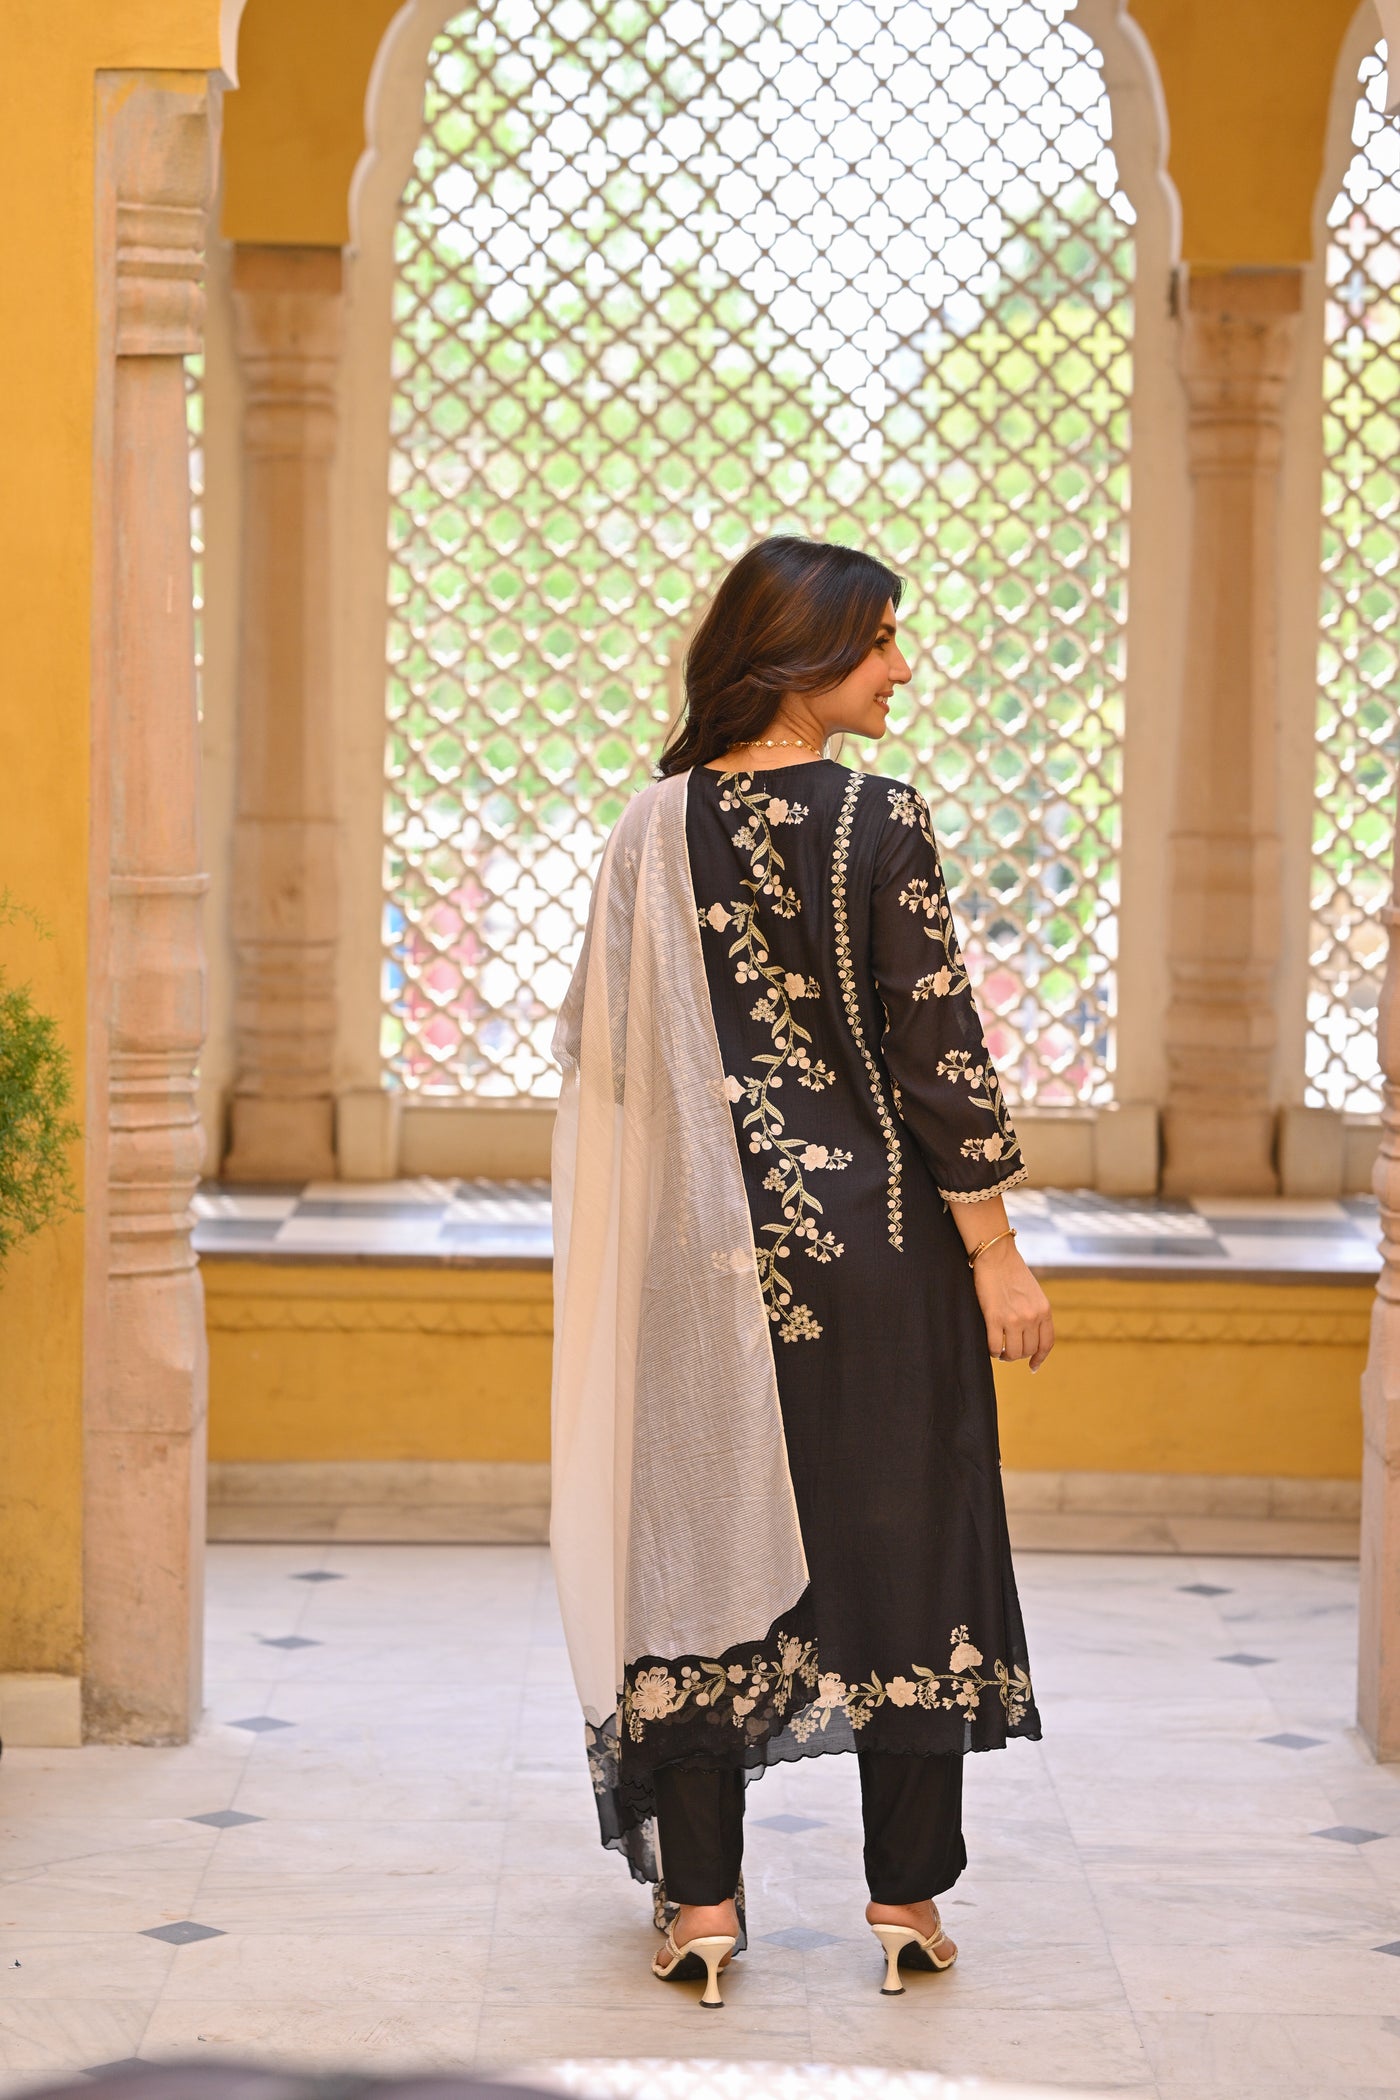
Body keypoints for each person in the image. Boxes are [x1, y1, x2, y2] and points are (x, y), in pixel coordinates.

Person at [550, 536, 1053, 2007]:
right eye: (880, 640)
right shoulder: (880, 820)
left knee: (700, 1552)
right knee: (907, 1553)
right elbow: (938, 1050)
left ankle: (702, 1907)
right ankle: (906, 1902)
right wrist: (999, 1255)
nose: (902, 667)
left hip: (706, 1267)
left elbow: (606, 1061)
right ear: (801, 655)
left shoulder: (650, 830)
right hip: (883, 1261)